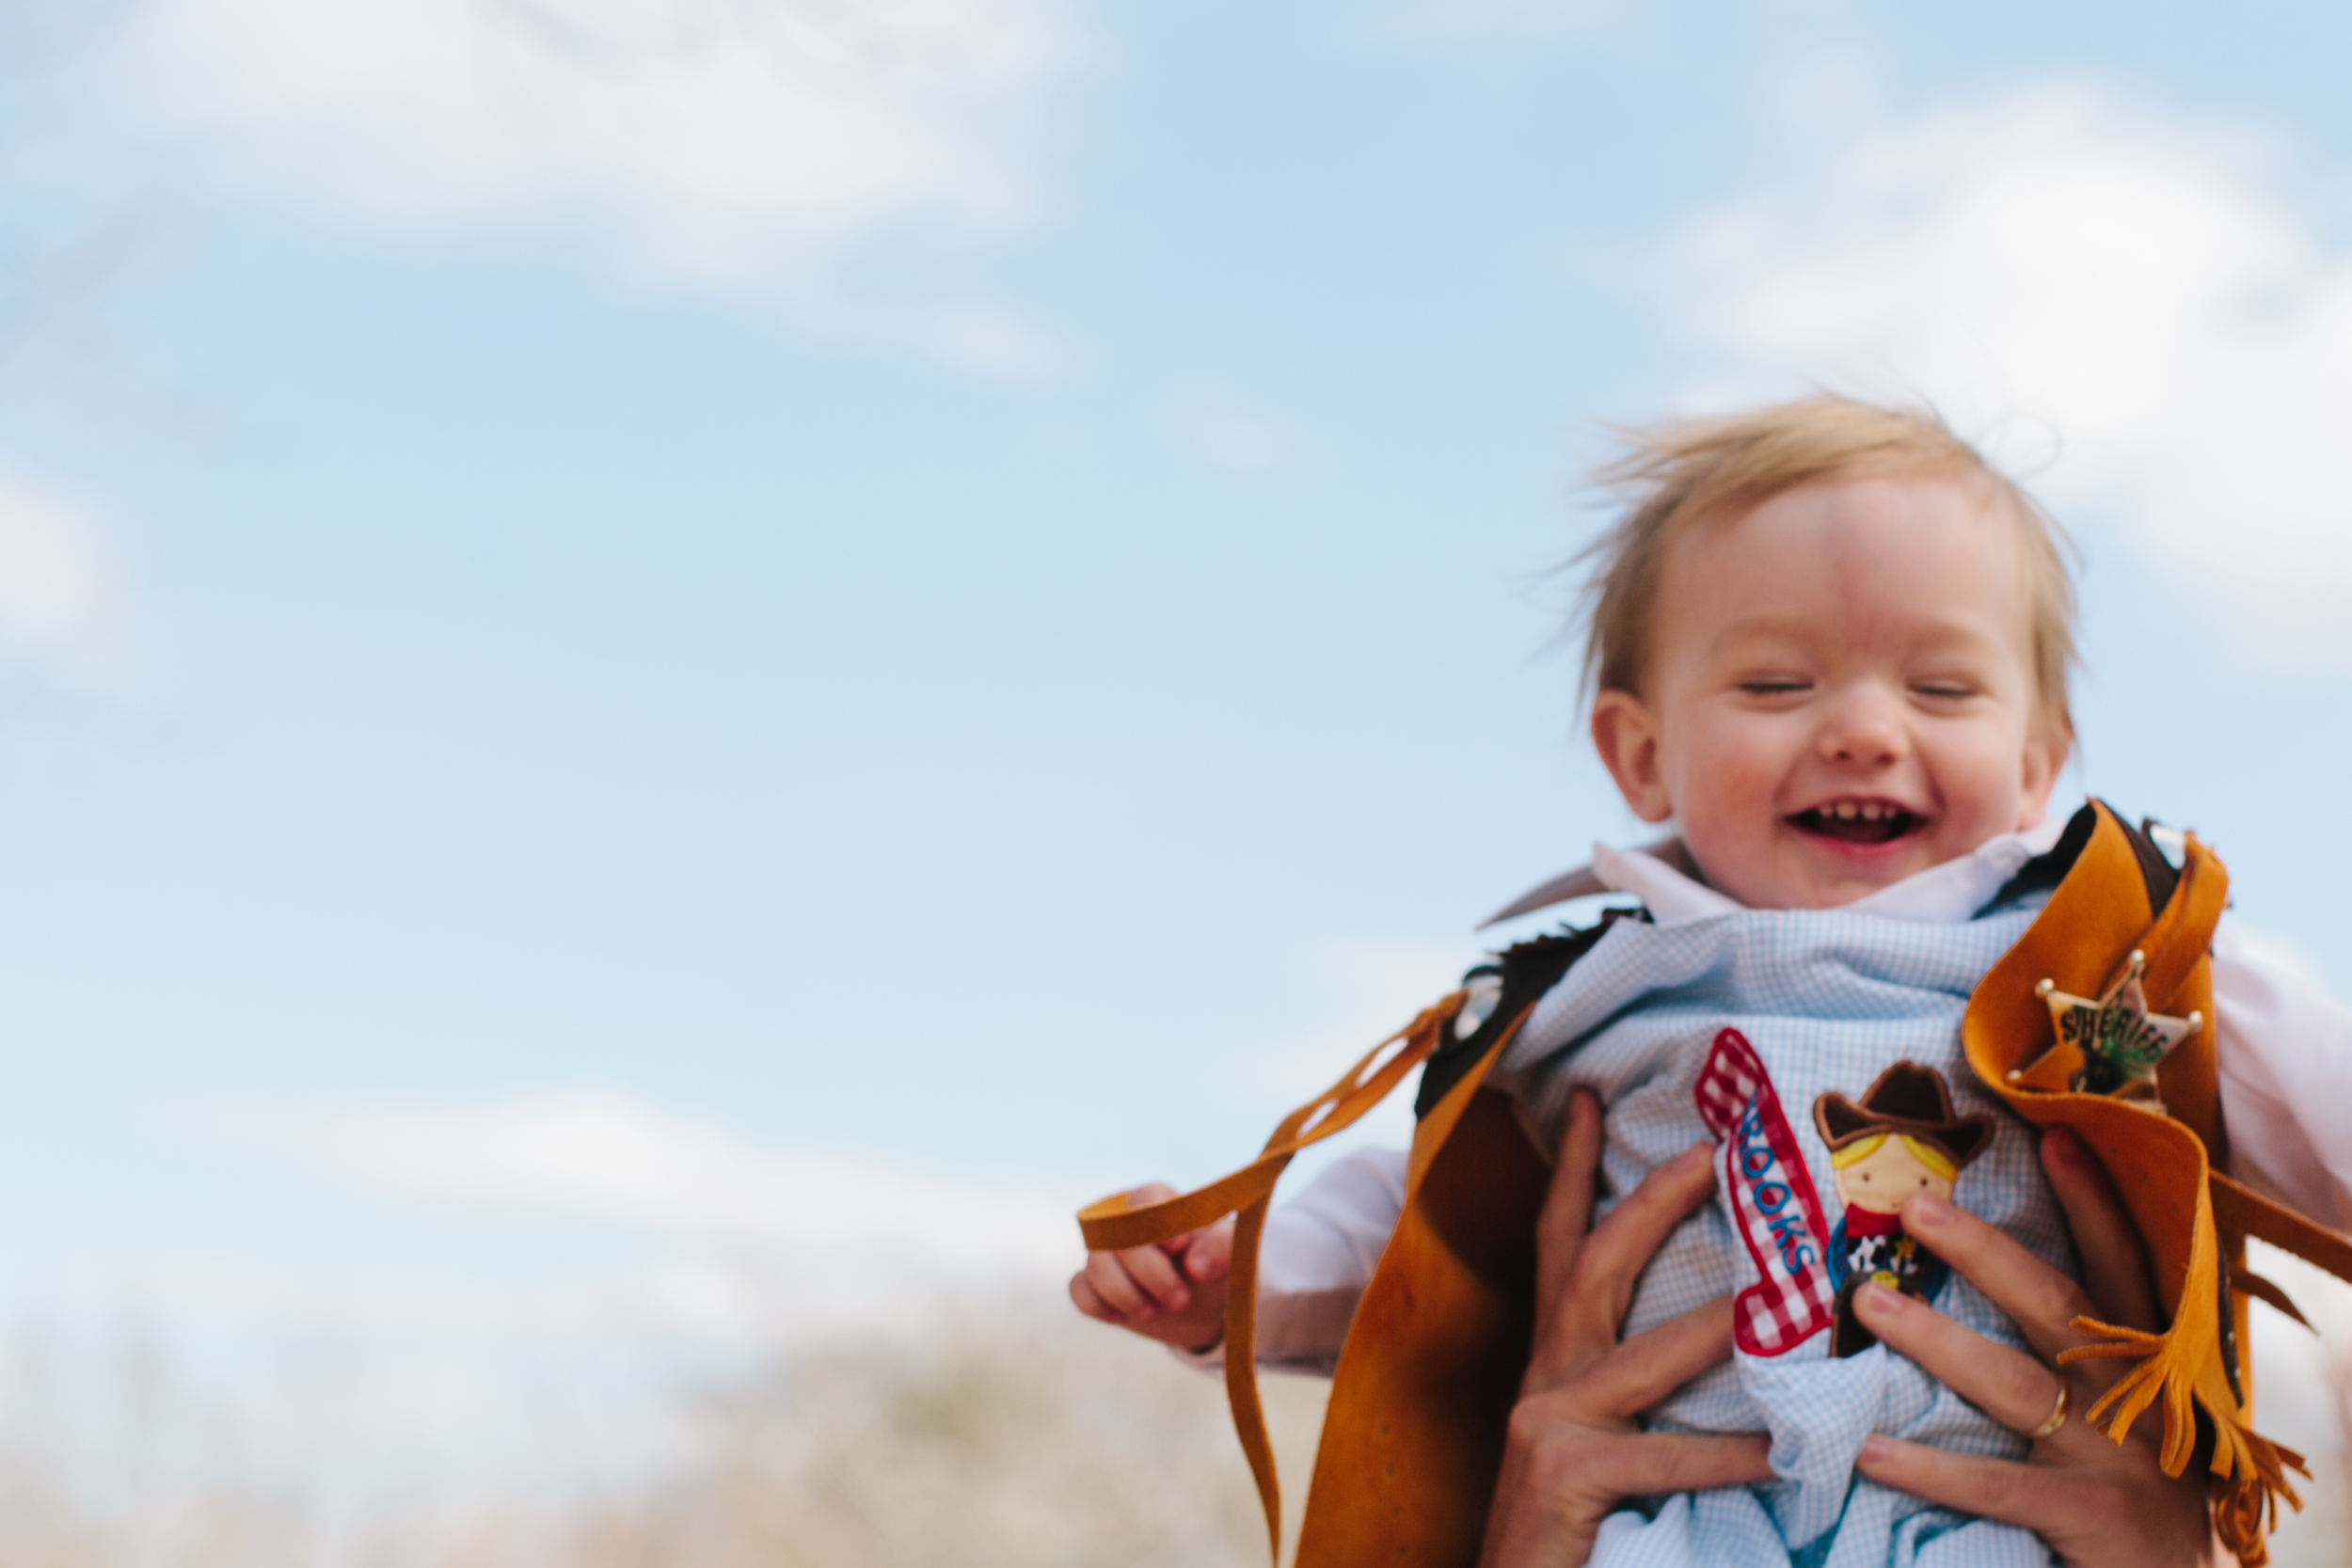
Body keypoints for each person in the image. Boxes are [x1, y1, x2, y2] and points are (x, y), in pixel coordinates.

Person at [1070, 397, 2352, 1566]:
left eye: (1942, 685)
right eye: (1776, 683)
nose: (1861, 726)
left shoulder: (2099, 957)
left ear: (2036, 764)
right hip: (1678, 1517)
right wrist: (1234, 1269)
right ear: (1640, 755)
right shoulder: (1587, 994)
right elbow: (1411, 1226)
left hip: (1995, 1504)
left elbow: (2318, 1087)